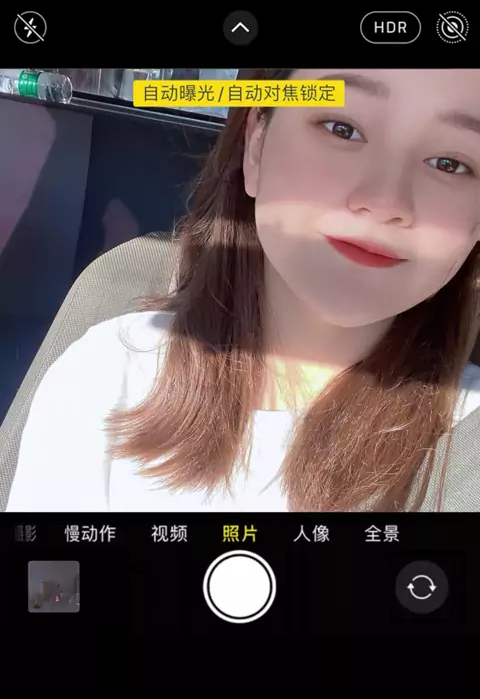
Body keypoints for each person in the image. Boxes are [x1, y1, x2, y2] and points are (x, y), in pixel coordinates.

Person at [5, 68, 480, 512]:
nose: (385, 201)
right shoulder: (106, 374)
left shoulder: (467, 446)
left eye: (450, 163)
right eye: (342, 129)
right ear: (256, 144)